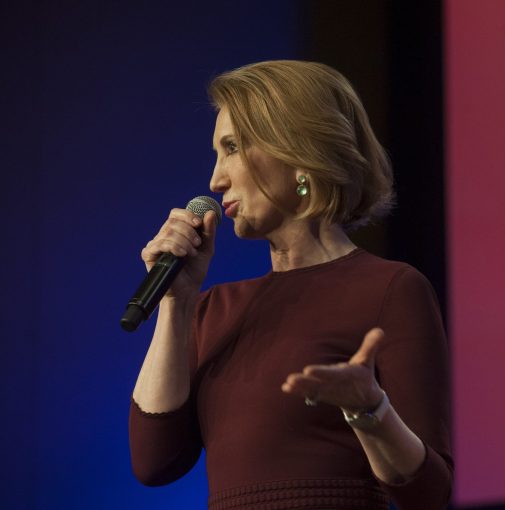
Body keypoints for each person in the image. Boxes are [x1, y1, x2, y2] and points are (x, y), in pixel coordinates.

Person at [128, 60, 452, 510]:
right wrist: (175, 303)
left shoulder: (391, 289)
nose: (215, 179)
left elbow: (430, 493)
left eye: (233, 147)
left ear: (299, 151)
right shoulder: (212, 308)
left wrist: (370, 409)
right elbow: (153, 462)